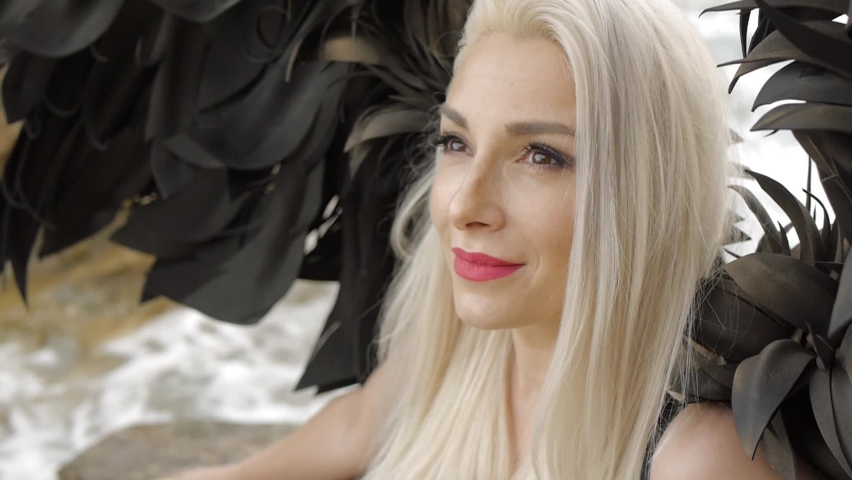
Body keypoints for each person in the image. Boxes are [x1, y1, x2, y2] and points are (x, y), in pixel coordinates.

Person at [167, 0, 821, 478]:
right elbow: (343, 435)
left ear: (645, 193)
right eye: (456, 142)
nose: (462, 205)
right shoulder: (454, 365)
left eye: (540, 155)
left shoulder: (700, 460)